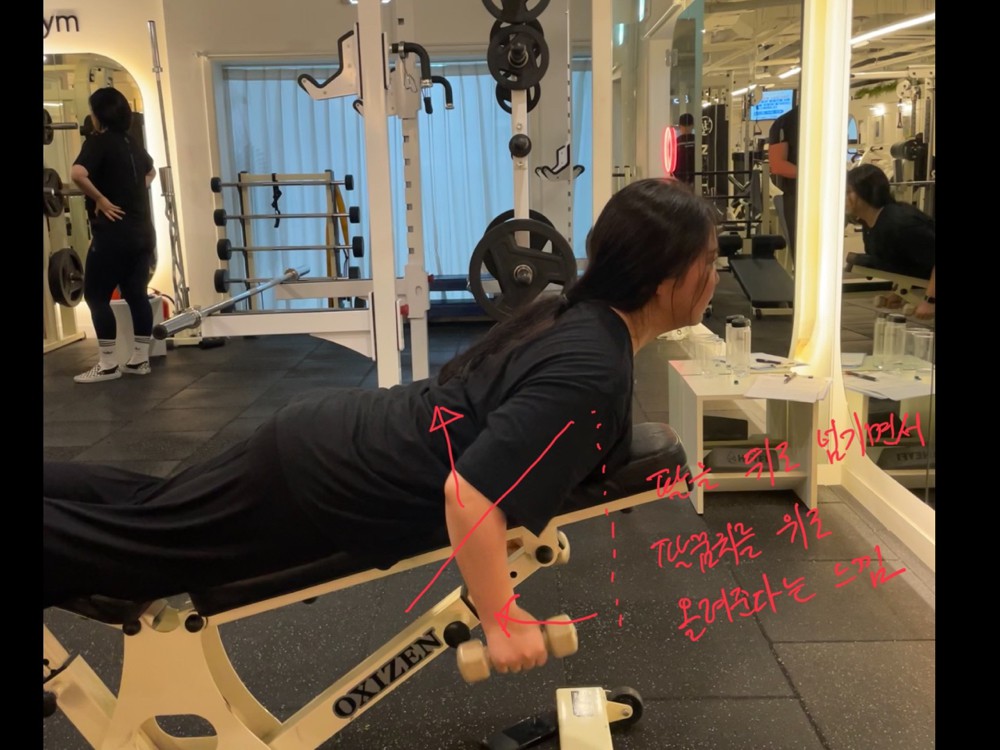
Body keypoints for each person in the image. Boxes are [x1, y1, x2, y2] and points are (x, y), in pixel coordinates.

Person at [43, 179, 720, 676]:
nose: (716, 275)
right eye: (708, 262)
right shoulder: (591, 366)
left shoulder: (576, 317)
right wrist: (501, 618)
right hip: (327, 480)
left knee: (146, 516)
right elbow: (469, 496)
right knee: (136, 554)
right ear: (665, 280)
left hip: (326, 442)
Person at [70, 87, 158, 384]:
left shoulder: (99, 142)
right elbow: (151, 172)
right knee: (136, 294)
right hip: (142, 233)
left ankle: (108, 365)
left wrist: (101, 199)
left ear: (99, 114)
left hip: (114, 235)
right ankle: (140, 360)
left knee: (95, 296)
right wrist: (133, 190)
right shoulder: (132, 143)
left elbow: (77, 174)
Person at [844, 164, 935, 320]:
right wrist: (899, 292)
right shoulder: (870, 223)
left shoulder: (899, 222)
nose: (843, 197)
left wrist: (930, 300)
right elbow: (906, 260)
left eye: (848, 192)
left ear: (866, 193)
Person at [767, 104, 799, 264]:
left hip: (829, 194)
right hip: (797, 197)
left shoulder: (832, 117)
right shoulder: (785, 123)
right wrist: (812, 177)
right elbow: (777, 165)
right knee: (801, 251)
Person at [673, 113, 696, 186]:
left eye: (688, 125)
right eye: (684, 126)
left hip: (686, 175)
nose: (686, 128)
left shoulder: (677, 141)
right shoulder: (697, 140)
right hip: (684, 175)